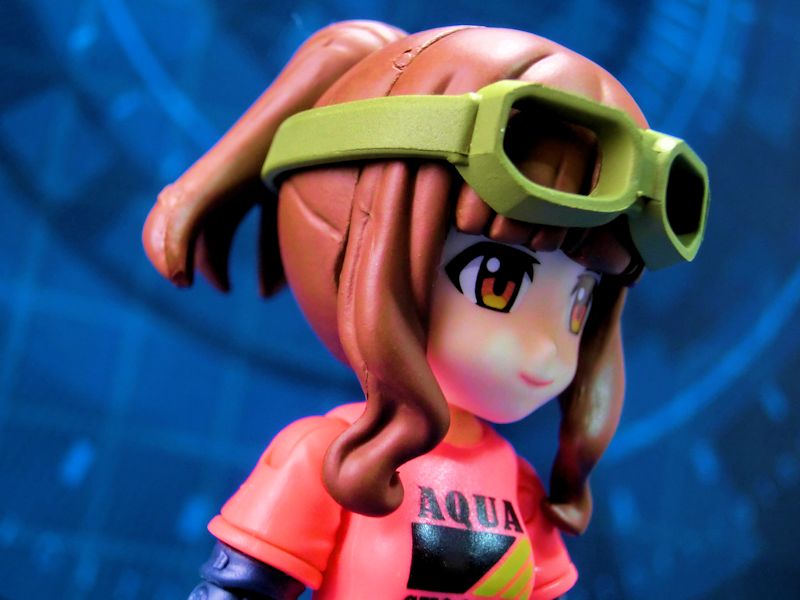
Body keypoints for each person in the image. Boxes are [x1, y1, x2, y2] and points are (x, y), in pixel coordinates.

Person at [143, 21, 708, 600]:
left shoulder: (515, 483)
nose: (546, 350)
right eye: (496, 282)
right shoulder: (323, 459)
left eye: (579, 301)